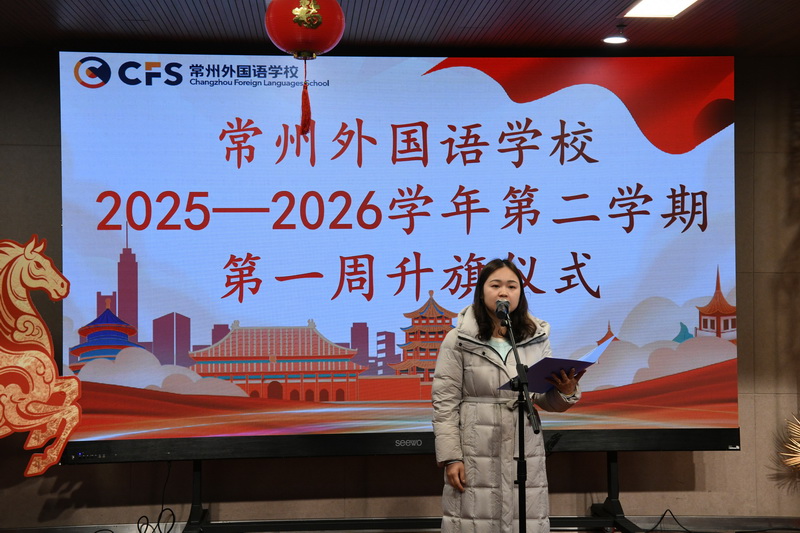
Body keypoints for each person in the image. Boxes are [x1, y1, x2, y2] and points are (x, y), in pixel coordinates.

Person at [431, 258, 584, 533]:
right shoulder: (458, 339)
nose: (504, 292)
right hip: (476, 448)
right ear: (481, 291)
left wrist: (566, 392)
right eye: (496, 285)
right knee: (473, 521)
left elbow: (541, 398)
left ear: (520, 294)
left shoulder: (536, 338)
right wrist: (452, 457)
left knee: (524, 518)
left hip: (523, 447)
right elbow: (444, 403)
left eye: (512, 286)